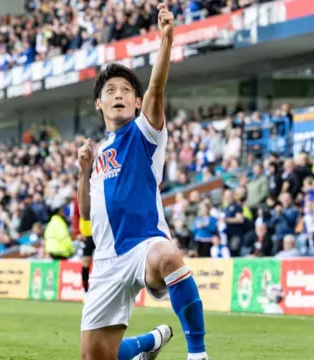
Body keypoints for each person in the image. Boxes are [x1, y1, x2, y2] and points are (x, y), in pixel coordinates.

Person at [76, 5, 208, 360]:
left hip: (142, 247)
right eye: (110, 90)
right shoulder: (99, 152)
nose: (118, 94)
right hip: (105, 261)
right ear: (98, 104)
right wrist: (84, 170)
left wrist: (166, 39)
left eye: (125, 90)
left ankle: (198, 354)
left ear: (136, 103)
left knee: (169, 255)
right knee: (95, 357)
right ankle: (149, 343)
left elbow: (157, 87)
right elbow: (86, 214)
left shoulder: (143, 133)